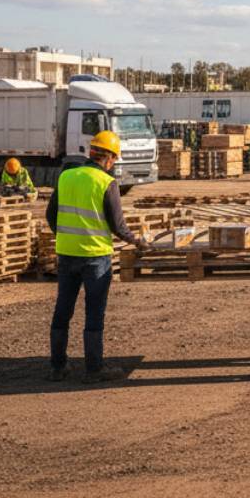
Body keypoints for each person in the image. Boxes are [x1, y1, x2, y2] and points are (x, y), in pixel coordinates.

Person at [46, 131, 146, 383]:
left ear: (91, 152)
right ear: (110, 158)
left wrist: (67, 237)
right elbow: (118, 226)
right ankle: (94, 369)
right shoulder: (106, 182)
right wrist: (138, 241)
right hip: (95, 258)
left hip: (67, 254)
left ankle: (58, 367)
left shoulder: (66, 176)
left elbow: (51, 215)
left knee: (63, 310)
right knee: (94, 312)